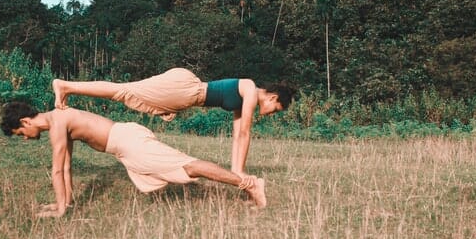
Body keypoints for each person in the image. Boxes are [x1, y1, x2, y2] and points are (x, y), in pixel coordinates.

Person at [0, 101, 267, 218]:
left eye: (20, 132)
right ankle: (248, 184)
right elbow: (66, 167)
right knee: (187, 168)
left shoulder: (57, 122)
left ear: (25, 121)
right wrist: (63, 203)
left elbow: (58, 171)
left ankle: (250, 184)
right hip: (125, 146)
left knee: (190, 166)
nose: (24, 137)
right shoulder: (58, 121)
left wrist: (59, 211)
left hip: (128, 143)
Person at [51, 68, 294, 175]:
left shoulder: (243, 100)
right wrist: (239, 173)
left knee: (128, 94)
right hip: (186, 90)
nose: (273, 112)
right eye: (276, 108)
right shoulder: (250, 90)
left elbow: (237, 136)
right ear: (272, 97)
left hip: (183, 95)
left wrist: (236, 171)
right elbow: (245, 134)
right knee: (123, 92)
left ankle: (68, 87)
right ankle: (66, 86)